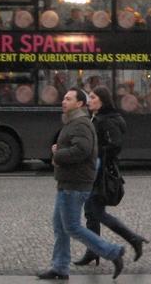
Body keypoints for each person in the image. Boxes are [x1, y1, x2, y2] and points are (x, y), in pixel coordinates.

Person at [37, 86, 125, 281]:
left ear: (79, 104)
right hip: (67, 181)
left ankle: (113, 252)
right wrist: (59, 147)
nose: (63, 101)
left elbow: (82, 150)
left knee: (72, 227)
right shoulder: (72, 122)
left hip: (75, 184)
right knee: (60, 227)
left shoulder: (80, 124)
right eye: (64, 98)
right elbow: (75, 146)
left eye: (68, 99)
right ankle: (60, 267)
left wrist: (57, 154)